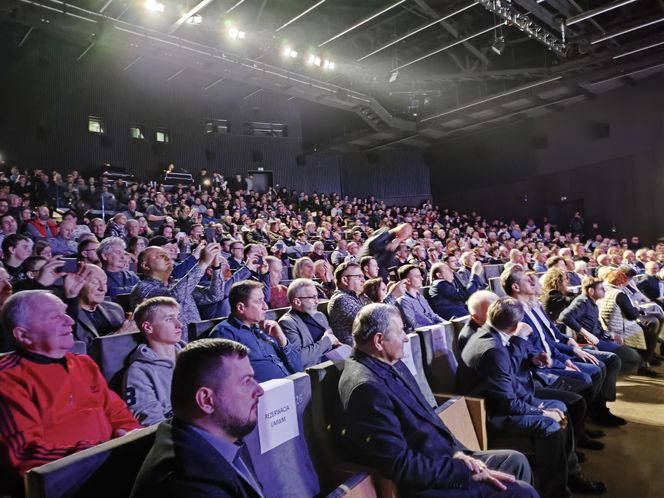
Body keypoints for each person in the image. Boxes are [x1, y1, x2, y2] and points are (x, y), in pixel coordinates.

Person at [338, 303, 538, 498]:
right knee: (522, 491)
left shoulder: (388, 362)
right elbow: (400, 465)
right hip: (427, 481)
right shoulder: (365, 388)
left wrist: (457, 453)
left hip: (443, 456)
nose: (406, 338)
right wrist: (463, 472)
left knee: (516, 461)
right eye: (400, 332)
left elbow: (429, 417)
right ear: (379, 340)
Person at [458, 297, 606, 498]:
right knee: (550, 423)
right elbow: (507, 403)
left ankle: (570, 472)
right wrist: (541, 411)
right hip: (489, 414)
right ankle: (556, 491)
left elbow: (511, 368)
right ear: (515, 326)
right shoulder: (492, 349)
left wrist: (534, 360)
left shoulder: (493, 333)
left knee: (561, 408)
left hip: (510, 397)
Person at [0, 291, 141, 494]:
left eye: (65, 313)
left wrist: (131, 437)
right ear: (23, 335)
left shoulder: (84, 363)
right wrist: (102, 451)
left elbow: (117, 413)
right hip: (68, 483)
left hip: (109, 467)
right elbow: (25, 455)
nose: (69, 321)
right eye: (54, 317)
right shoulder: (8, 377)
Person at [130, 339, 265, 498]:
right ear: (206, 401)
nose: (259, 390)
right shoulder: (189, 483)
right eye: (246, 381)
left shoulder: (225, 435)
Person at [209, 281, 303, 382]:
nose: (265, 307)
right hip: (266, 393)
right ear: (241, 307)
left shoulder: (267, 328)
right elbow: (229, 379)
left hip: (293, 385)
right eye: (259, 301)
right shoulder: (224, 332)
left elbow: (298, 368)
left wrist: (282, 338)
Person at [559, 277, 643, 383]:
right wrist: (586, 334)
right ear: (591, 291)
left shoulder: (592, 302)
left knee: (632, 356)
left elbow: (595, 324)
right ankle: (605, 382)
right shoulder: (582, 301)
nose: (603, 290)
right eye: (600, 289)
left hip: (600, 338)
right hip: (589, 341)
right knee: (631, 356)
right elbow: (564, 316)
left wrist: (610, 334)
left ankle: (606, 377)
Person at [130, 242, 224, 329]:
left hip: (197, 339)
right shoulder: (142, 289)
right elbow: (174, 297)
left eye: (167, 255)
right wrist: (203, 263)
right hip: (174, 344)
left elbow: (215, 296)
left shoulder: (176, 283)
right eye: (160, 256)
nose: (168, 258)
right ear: (146, 265)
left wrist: (216, 267)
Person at [123, 297, 184, 426]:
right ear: (148, 327)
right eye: (168, 319)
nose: (179, 325)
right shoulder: (138, 372)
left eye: (178, 317)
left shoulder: (192, 354)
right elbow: (152, 423)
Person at [68, 264, 138, 348]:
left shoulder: (115, 309)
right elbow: (81, 351)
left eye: (105, 283)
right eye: (95, 282)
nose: (102, 289)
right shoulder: (69, 315)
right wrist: (118, 335)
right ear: (77, 284)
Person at [278, 279, 340, 368]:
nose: (317, 301)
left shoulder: (319, 315)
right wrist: (327, 341)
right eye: (313, 297)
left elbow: (332, 340)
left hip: (334, 362)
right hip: (316, 371)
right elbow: (299, 358)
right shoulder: (287, 323)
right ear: (297, 301)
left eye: (317, 297)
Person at [327, 262, 367, 346]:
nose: (363, 280)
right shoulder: (340, 299)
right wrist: (393, 296)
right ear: (345, 280)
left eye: (363, 276)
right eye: (358, 276)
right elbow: (373, 320)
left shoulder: (359, 296)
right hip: (355, 353)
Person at [397, 263, 443, 329]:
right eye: (417, 276)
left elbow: (433, 316)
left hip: (434, 329)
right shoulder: (404, 301)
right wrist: (434, 328)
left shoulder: (421, 297)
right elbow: (413, 325)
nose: (422, 279)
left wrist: (447, 323)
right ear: (407, 281)